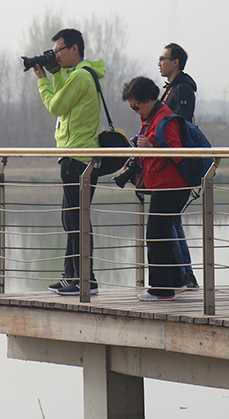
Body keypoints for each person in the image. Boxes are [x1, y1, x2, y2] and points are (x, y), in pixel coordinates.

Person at [33, 28, 106, 297]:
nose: (56, 56)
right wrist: (55, 74)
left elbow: (56, 106)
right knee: (71, 218)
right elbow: (65, 101)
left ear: (74, 49)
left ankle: (85, 279)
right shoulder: (81, 75)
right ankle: (71, 276)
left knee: (76, 220)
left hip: (78, 158)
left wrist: (43, 81)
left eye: (59, 50)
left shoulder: (80, 76)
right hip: (77, 156)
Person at [123, 76, 192, 301]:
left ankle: (161, 290)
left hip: (171, 187)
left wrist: (151, 146)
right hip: (162, 186)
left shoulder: (165, 119)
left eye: (136, 106)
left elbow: (178, 154)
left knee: (155, 235)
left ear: (147, 99)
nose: (136, 111)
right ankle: (175, 281)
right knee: (162, 234)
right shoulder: (151, 118)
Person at [158, 42, 199, 290]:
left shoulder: (182, 89)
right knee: (173, 221)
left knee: (170, 221)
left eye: (163, 59)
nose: (159, 63)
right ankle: (186, 274)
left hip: (176, 164)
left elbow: (179, 126)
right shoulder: (172, 88)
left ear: (176, 62)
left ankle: (183, 274)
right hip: (171, 163)